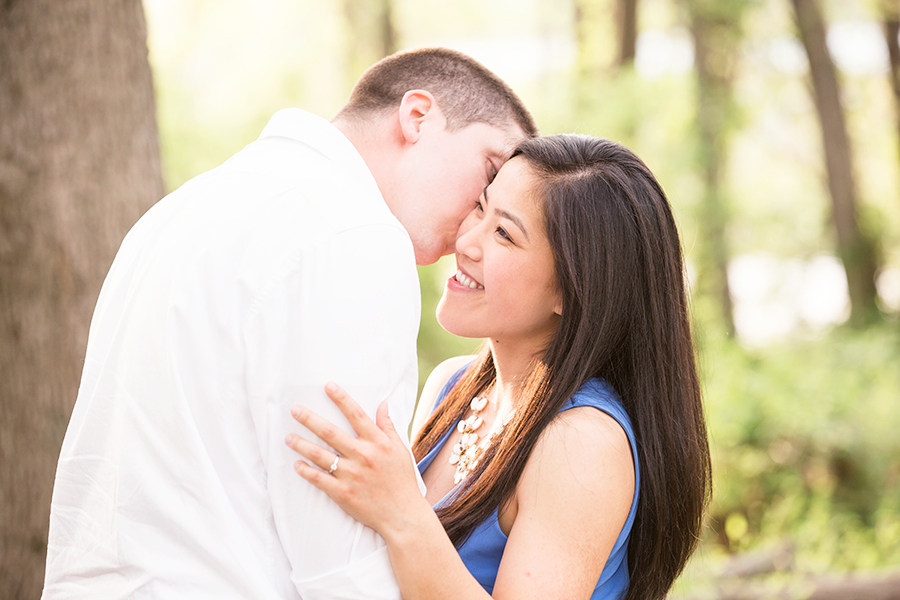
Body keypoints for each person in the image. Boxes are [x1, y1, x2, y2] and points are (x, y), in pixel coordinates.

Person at [42, 47, 537, 600]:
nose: (477, 218)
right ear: (417, 115)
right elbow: (347, 568)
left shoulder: (178, 211)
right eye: (489, 174)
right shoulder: (356, 235)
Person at [285, 134, 713, 600]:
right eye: (480, 207)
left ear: (572, 291)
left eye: (504, 233)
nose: (466, 241)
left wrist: (400, 513)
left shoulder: (582, 443)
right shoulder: (451, 386)